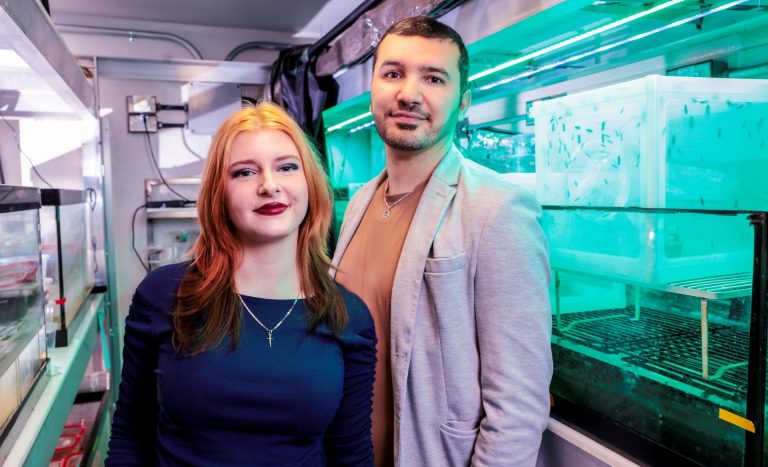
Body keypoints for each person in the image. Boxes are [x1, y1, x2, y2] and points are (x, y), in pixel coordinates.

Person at [332, 16, 552, 467]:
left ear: (464, 101)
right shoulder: (357, 204)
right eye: (393, 73)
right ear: (372, 87)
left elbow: (518, 404)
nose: (408, 93)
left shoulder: (498, 209)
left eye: (433, 78)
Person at [107, 102, 376, 466]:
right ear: (220, 193)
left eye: (286, 167)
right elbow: (130, 437)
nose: (269, 185)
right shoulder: (164, 295)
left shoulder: (349, 316)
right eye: (245, 172)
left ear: (309, 182)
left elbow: (350, 454)